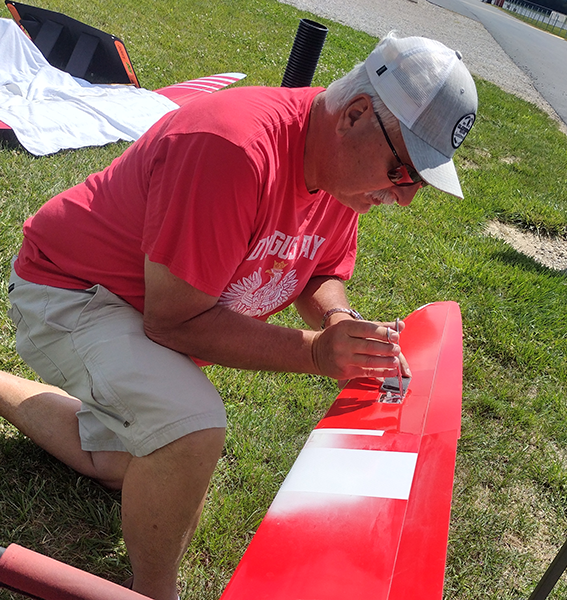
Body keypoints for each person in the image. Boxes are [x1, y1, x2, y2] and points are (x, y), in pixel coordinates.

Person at [1, 32, 477, 600]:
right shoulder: (234, 148)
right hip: (71, 290)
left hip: (137, 304)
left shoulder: (335, 167)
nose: (404, 198)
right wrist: (316, 353)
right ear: (354, 115)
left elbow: (322, 267)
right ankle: (156, 592)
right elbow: (173, 321)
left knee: (130, 464)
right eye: (404, 172)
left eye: (419, 182)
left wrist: (336, 319)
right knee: (191, 427)